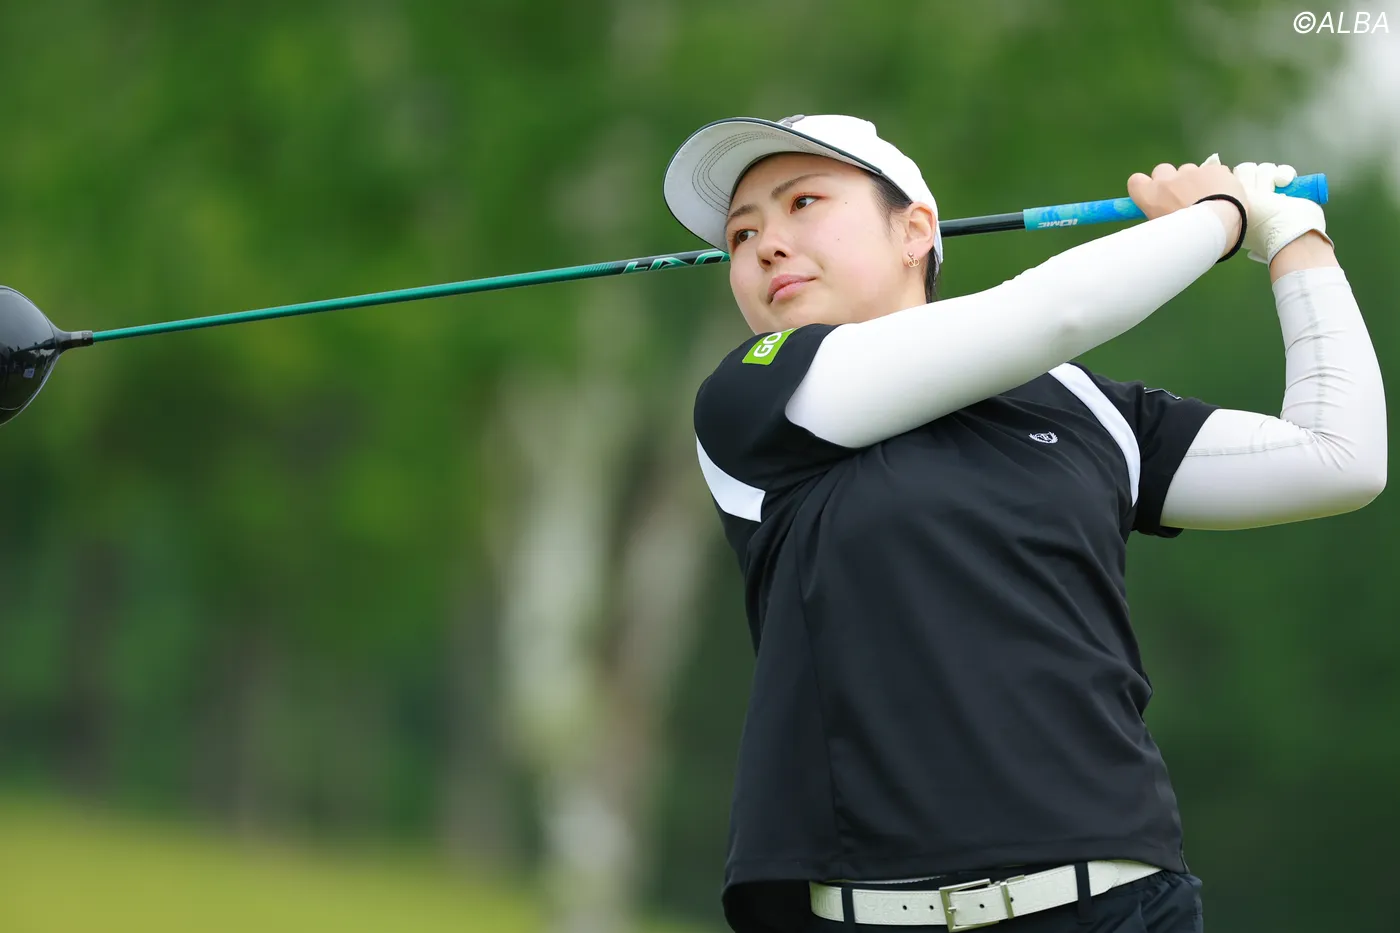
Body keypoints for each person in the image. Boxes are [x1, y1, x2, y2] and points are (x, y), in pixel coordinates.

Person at [662, 114, 1387, 933]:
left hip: (1118, 907)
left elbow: (1340, 457)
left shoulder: (1079, 403)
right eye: (742, 233)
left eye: (803, 203)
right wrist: (1220, 217)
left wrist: (1292, 236)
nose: (766, 244)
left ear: (915, 230)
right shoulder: (753, 398)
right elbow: (1053, 311)